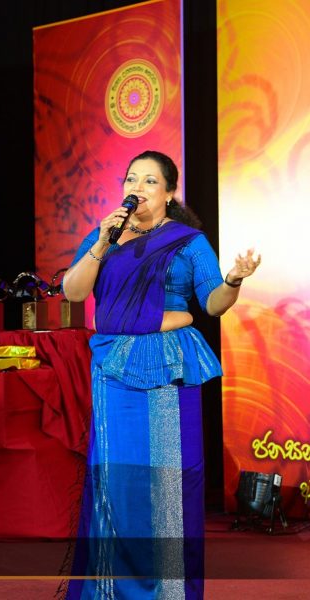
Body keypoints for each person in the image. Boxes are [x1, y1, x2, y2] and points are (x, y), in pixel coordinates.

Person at [61, 150, 261, 599]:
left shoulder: (188, 242)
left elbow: (212, 304)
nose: (138, 188)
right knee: (117, 479)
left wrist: (233, 279)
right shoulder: (106, 233)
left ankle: (166, 591)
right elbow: (73, 291)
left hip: (168, 368)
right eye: (132, 179)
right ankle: (110, 589)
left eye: (150, 181)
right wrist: (101, 243)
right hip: (114, 368)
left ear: (170, 193)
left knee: (168, 480)